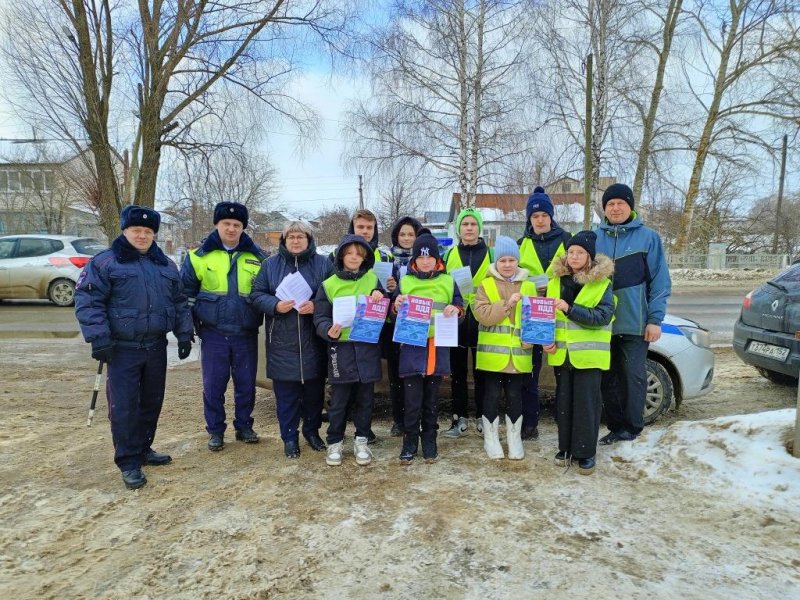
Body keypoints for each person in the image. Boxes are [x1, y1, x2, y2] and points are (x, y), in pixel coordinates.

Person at [75, 205, 194, 490]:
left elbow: (179, 302)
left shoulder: (166, 265)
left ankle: (143, 448)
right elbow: (89, 301)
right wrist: (98, 337)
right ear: (125, 231)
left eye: (148, 231)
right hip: (122, 348)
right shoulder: (105, 262)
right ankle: (128, 460)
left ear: (154, 234)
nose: (142, 236)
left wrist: (185, 334)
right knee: (124, 406)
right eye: (136, 230)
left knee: (151, 402)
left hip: (155, 346)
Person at [181, 202, 268, 451]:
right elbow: (185, 297)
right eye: (226, 224)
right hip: (213, 332)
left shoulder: (258, 257)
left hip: (245, 332)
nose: (231, 229)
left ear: (243, 227)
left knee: (245, 384)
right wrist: (186, 331)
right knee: (213, 385)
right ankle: (216, 430)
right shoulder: (198, 257)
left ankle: (244, 426)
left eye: (237, 225)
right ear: (217, 224)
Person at [594, 183, 671, 445]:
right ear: (604, 209)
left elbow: (660, 282)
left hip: (635, 323)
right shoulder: (596, 238)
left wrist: (655, 320)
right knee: (608, 378)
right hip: (602, 324)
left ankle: (633, 428)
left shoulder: (648, 238)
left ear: (630, 206)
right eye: (610, 204)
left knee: (633, 377)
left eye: (620, 203)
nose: (615, 208)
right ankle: (615, 428)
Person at [250, 221, 332, 458]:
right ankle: (289, 437)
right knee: (286, 396)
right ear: (284, 240)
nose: (296, 241)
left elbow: (335, 293)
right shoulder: (270, 265)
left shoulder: (323, 264)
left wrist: (316, 305)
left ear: (309, 239)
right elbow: (256, 295)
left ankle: (312, 432)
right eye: (291, 237)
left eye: (301, 236)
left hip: (313, 339)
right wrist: (275, 305)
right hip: (281, 342)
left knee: (314, 395)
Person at [542, 231, 614, 474]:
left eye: (579, 253)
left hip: (589, 355)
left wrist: (570, 308)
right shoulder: (554, 281)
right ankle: (565, 448)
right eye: (571, 252)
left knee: (586, 405)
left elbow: (602, 317)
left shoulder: (602, 283)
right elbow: (545, 318)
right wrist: (545, 341)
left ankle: (585, 452)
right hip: (562, 353)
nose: (573, 256)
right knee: (564, 404)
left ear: (589, 257)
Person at [313, 235, 387, 466]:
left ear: (365, 258)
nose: (354, 257)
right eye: (349, 253)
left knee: (365, 399)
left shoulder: (373, 280)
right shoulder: (329, 285)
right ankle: (335, 441)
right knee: (339, 400)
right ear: (341, 256)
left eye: (359, 254)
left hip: (366, 347)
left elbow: (386, 306)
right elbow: (320, 317)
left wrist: (381, 295)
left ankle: (361, 440)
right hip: (340, 349)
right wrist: (327, 330)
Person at [392, 230, 463, 464]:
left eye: (429, 257)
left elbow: (460, 309)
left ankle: (430, 441)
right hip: (412, 349)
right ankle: (410, 442)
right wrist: (396, 304)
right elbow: (393, 314)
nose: (425, 261)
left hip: (437, 349)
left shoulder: (448, 281)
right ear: (414, 259)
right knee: (412, 402)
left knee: (431, 402)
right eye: (420, 257)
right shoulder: (405, 281)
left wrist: (457, 310)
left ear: (437, 259)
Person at [473, 236, 536, 460]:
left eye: (512, 260)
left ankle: (514, 438)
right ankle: (491, 439)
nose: (507, 264)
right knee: (490, 395)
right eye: (503, 260)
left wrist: (533, 338)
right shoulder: (485, 284)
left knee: (514, 395)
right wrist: (508, 304)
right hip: (492, 356)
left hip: (519, 354)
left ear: (518, 261)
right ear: (495, 262)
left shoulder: (529, 286)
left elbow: (535, 319)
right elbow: (483, 316)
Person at [517, 186, 572, 441]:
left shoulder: (567, 241)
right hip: (532, 316)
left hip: (559, 315)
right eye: (535, 216)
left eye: (544, 215)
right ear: (529, 219)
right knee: (530, 372)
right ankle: (530, 423)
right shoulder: (520, 245)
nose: (540, 220)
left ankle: (566, 421)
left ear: (551, 216)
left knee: (563, 372)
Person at [443, 207, 492, 437]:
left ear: (479, 228)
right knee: (458, 373)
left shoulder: (491, 254)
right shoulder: (448, 254)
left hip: (483, 321)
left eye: (473, 224)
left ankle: (484, 418)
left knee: (483, 372)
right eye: (465, 224)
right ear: (459, 228)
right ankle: (458, 419)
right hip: (457, 321)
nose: (469, 228)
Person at [384, 216, 422, 436]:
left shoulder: (426, 259)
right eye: (403, 234)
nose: (407, 238)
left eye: (411, 234)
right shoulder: (386, 259)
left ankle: (414, 419)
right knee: (396, 375)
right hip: (393, 323)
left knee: (414, 374)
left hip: (417, 323)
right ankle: (398, 420)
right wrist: (389, 288)